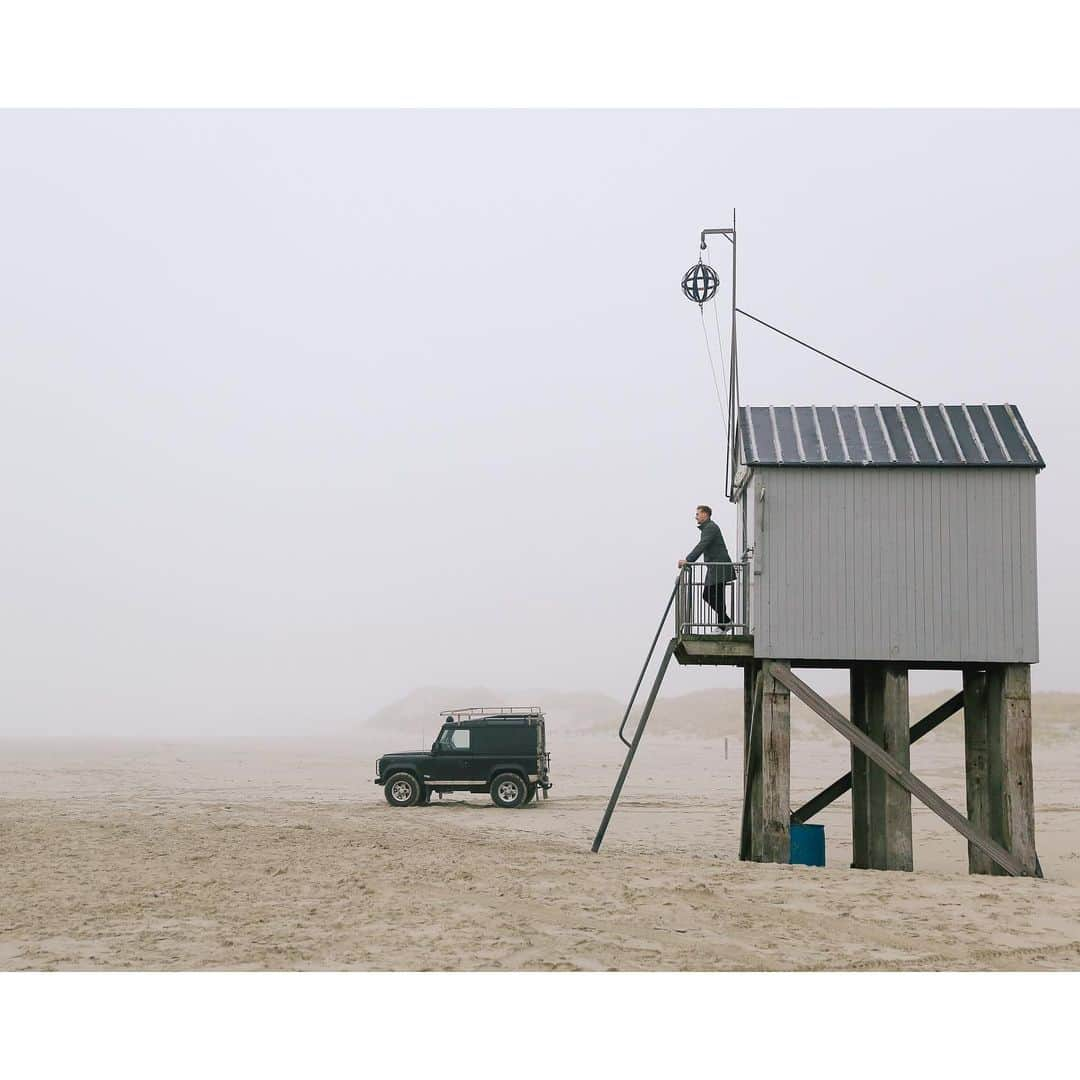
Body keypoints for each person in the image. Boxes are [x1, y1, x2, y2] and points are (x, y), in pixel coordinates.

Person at [678, 504, 735, 626]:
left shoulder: (710, 528)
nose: (696, 517)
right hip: (716, 567)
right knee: (715, 595)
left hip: (719, 567)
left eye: (698, 514)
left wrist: (688, 560)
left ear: (705, 514)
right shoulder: (708, 528)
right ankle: (724, 623)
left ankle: (725, 622)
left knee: (710, 595)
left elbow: (702, 545)